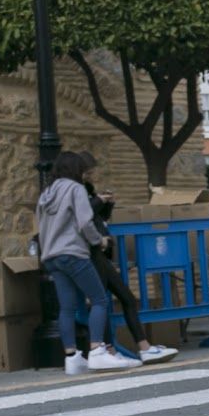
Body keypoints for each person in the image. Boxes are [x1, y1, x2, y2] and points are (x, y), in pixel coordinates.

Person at [35, 152, 140, 375]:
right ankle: (97, 351)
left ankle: (72, 358)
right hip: (73, 253)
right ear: (75, 170)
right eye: (83, 170)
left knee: (66, 307)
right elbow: (85, 221)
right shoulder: (76, 189)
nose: (85, 174)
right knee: (100, 299)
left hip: (51, 257)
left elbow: (41, 227)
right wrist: (98, 240)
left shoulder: (46, 194)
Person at [77, 152, 178, 363]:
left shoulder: (86, 190)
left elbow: (98, 217)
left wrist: (107, 203)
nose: (91, 175)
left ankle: (141, 347)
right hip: (91, 252)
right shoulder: (77, 192)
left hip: (100, 252)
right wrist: (97, 201)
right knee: (104, 301)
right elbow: (83, 216)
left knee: (123, 299)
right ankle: (111, 349)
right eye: (88, 171)